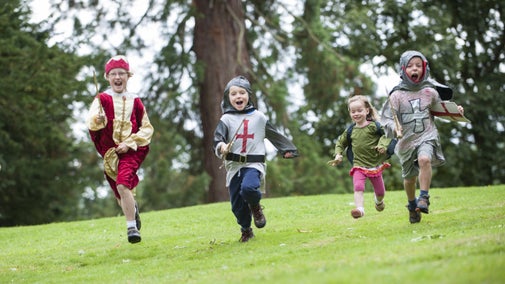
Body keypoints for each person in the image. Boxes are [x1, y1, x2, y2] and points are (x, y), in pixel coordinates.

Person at [381, 50, 464, 224]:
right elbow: (387, 118)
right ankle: (412, 205)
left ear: (424, 68)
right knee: (409, 179)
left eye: (418, 65)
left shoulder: (430, 92)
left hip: (427, 135)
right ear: (403, 70)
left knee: (424, 160)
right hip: (405, 143)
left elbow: (440, 109)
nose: (414, 68)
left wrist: (457, 111)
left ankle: (424, 197)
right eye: (410, 66)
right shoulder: (396, 95)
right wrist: (394, 127)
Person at [213, 75, 298, 242]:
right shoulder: (226, 119)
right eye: (234, 94)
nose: (238, 96)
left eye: (242, 93)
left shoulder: (259, 117)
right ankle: (246, 229)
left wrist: (287, 149)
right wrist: (222, 146)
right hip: (234, 167)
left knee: (249, 188)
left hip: (254, 163)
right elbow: (218, 138)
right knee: (237, 206)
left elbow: (273, 134)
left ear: (248, 95)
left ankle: (256, 207)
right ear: (228, 98)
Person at [86, 55, 154, 243]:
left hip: (131, 150)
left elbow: (146, 127)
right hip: (111, 153)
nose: (117, 77)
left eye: (121, 74)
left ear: (127, 76)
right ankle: (133, 209)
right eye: (113, 74)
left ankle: (132, 229)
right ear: (107, 77)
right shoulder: (102, 99)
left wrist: (130, 143)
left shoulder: (136, 101)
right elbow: (91, 122)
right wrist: (98, 121)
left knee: (123, 184)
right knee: (120, 192)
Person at [328, 95, 393, 219]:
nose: (356, 113)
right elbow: (340, 143)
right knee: (358, 187)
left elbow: (386, 135)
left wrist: (382, 146)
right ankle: (359, 209)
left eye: (359, 110)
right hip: (359, 165)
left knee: (380, 192)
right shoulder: (350, 130)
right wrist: (338, 154)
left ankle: (378, 201)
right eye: (353, 111)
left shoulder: (375, 126)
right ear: (350, 113)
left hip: (375, 165)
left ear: (367, 110)